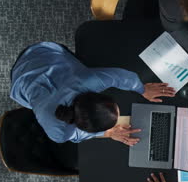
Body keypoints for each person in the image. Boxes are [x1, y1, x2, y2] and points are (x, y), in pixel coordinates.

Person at [9, 42, 175, 145]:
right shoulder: (57, 131)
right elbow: (76, 135)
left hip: (44, 54)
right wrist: (108, 133)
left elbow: (120, 77)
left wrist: (142, 88)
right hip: (25, 77)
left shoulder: (85, 81)